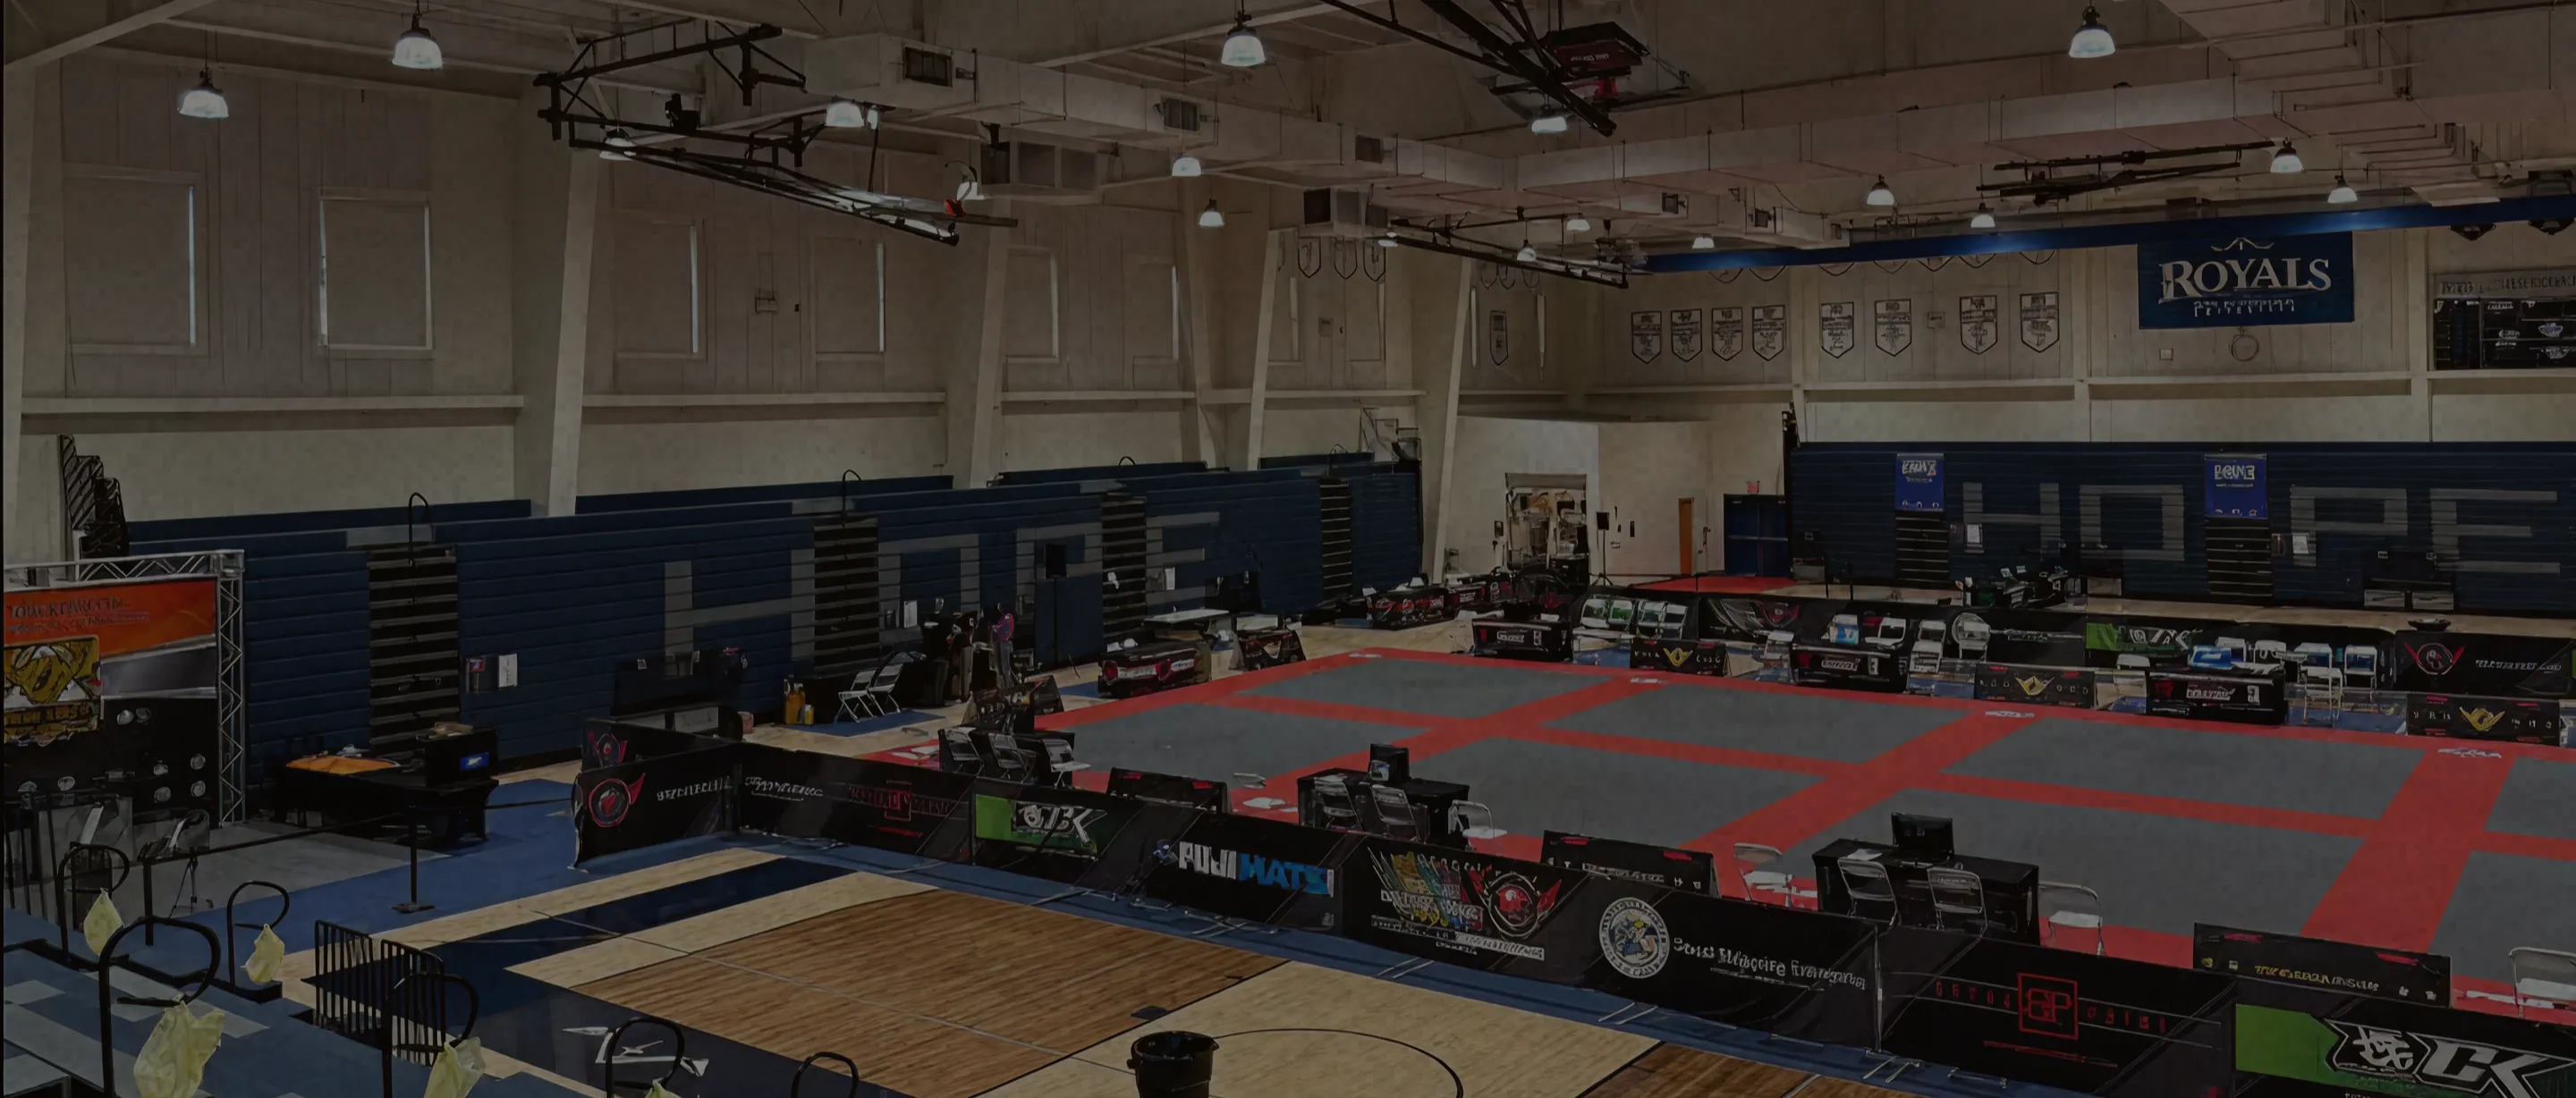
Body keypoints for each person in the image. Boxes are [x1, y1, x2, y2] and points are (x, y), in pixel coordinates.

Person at [988, 603, 1018, 688]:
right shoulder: (1003, 617)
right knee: (1001, 665)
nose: (1000, 611)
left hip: (1005, 643)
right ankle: (1005, 684)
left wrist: (994, 627)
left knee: (1006, 666)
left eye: (1001, 609)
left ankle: (1008, 685)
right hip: (1001, 642)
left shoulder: (1008, 616)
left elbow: (1001, 626)